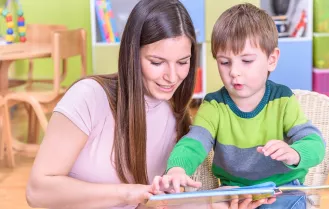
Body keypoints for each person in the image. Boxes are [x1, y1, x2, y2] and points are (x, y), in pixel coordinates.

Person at [25, 1, 272, 209]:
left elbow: (156, 200)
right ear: (132, 55)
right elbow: (37, 191)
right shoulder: (89, 97)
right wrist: (127, 193)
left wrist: (214, 202)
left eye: (183, 61)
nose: (172, 76)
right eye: (157, 62)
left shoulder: (175, 114)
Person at [152, 3, 326, 209]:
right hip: (234, 195)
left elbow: (315, 142)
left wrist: (295, 153)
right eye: (225, 62)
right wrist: (177, 169)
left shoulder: (283, 100)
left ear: (272, 59)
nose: (234, 72)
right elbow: (194, 142)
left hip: (282, 191)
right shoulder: (214, 105)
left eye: (246, 60)